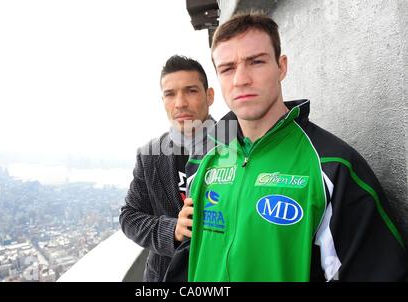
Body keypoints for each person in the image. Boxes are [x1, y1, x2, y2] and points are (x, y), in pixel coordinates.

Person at [165, 12, 407, 281]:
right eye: (228, 68)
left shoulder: (332, 166)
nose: (241, 79)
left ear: (281, 67)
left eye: (255, 62)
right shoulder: (203, 159)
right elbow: (191, 255)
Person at [119, 55, 215, 282]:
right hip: (163, 277)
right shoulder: (150, 155)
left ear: (209, 96)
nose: (180, 103)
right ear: (162, 100)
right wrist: (172, 230)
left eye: (191, 91)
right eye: (170, 94)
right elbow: (129, 216)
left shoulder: (237, 146)